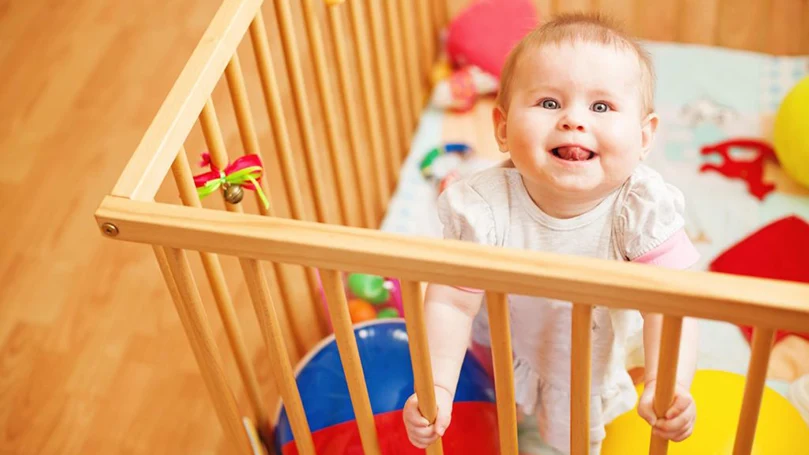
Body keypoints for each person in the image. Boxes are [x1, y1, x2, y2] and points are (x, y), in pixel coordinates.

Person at [402, 12, 700, 455]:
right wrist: (438, 387)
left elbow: (674, 305)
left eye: (601, 107)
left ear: (644, 137)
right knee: (492, 396)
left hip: (584, 358)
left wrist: (667, 383)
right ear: (502, 128)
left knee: (572, 439)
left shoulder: (640, 208)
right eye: (548, 103)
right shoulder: (482, 207)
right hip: (502, 335)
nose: (573, 120)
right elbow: (449, 300)